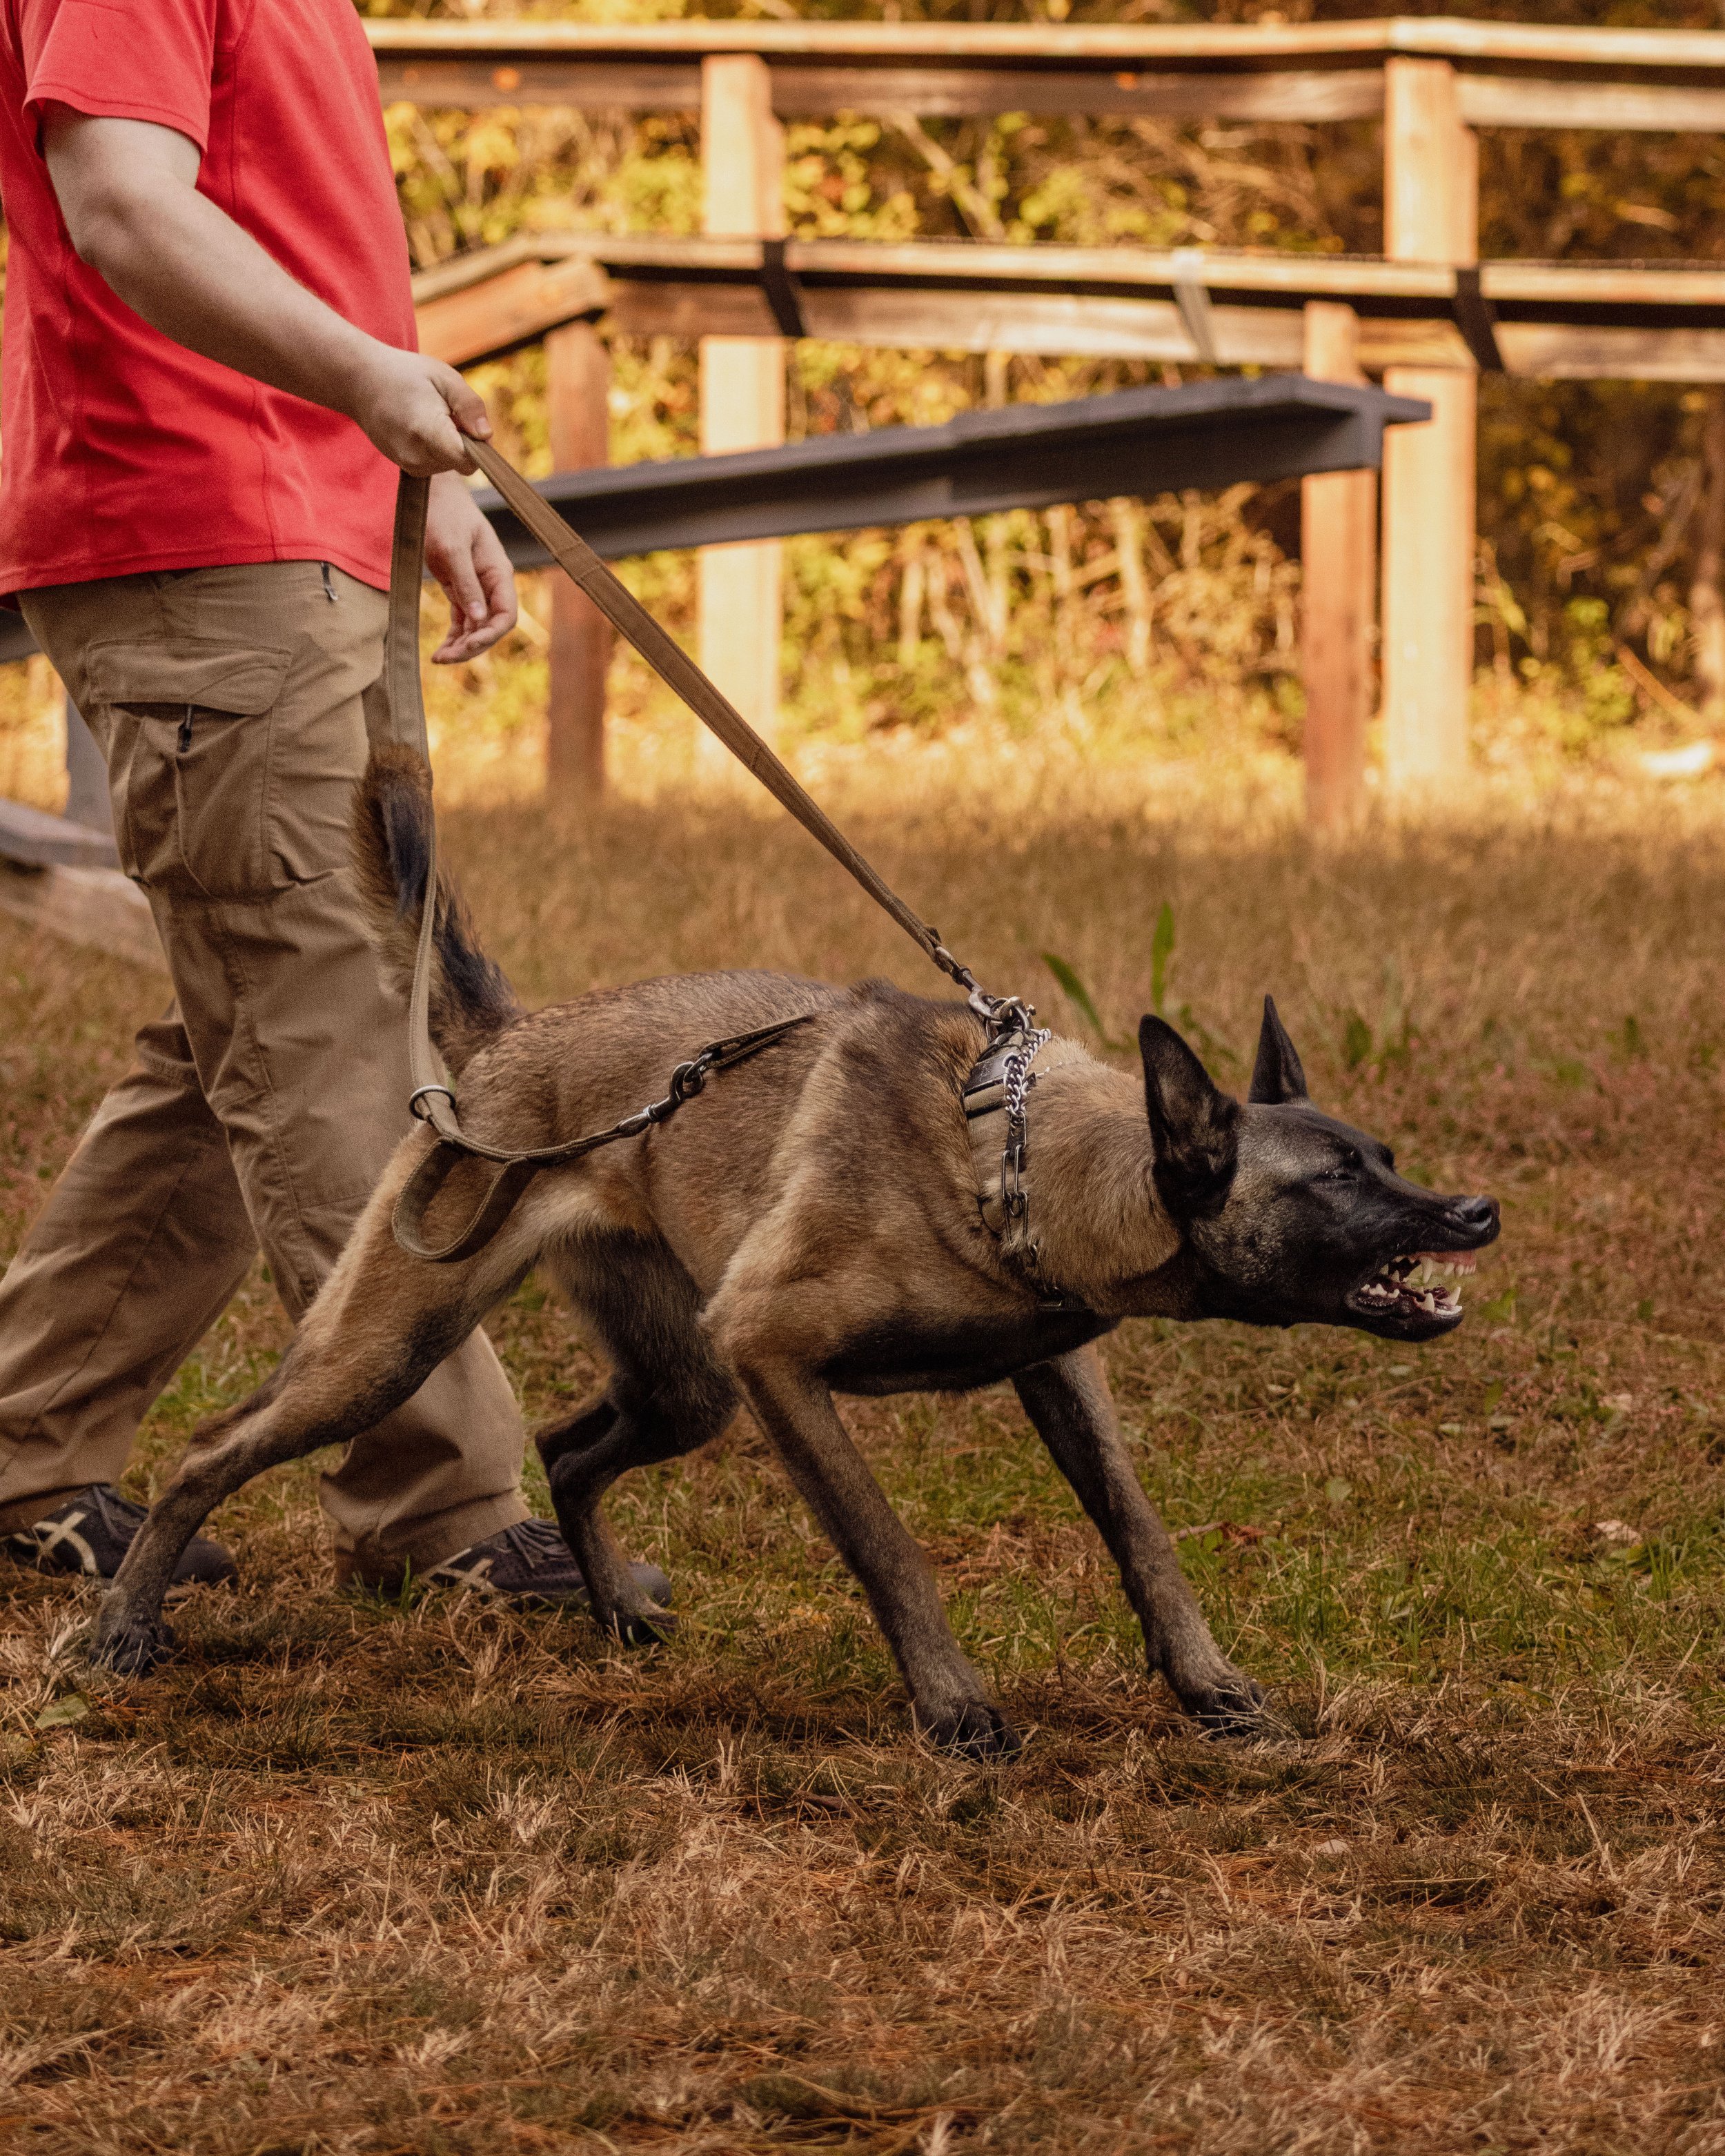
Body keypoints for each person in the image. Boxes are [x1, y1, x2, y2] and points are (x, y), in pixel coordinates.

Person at [0, 0, 626, 1607]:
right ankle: (442, 1513)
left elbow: (276, 228)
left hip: (294, 524)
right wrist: (361, 381)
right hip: (202, 531)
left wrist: (387, 479)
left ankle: (26, 1451)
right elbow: (124, 204)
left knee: (257, 1024)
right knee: (326, 1023)